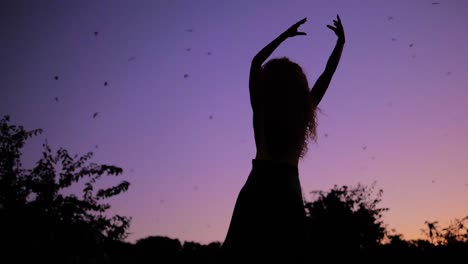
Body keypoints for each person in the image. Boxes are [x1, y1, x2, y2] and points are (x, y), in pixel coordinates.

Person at [222, 15, 345, 262]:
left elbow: (255, 63)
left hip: (257, 186)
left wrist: (283, 36)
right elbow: (327, 74)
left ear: (269, 83)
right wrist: (340, 43)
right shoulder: (302, 112)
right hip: (287, 189)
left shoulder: (262, 108)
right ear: (298, 85)